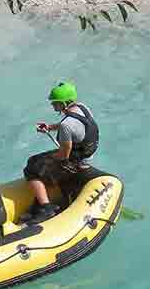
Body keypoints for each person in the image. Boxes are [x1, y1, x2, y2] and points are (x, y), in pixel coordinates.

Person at [21, 81, 99, 223]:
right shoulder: (82, 108)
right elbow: (75, 127)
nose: (53, 105)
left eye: (55, 103)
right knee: (41, 161)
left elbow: (64, 155)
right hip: (86, 154)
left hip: (75, 161)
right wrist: (50, 127)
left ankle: (46, 208)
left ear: (64, 103)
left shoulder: (66, 125)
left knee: (32, 166)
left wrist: (45, 162)